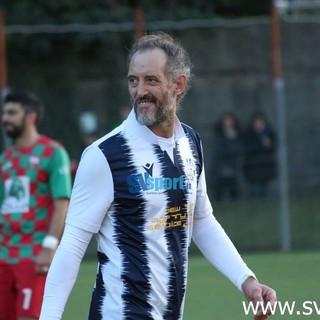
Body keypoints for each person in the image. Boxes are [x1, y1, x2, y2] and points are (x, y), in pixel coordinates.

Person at [39, 32, 277, 320]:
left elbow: (200, 221)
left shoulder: (191, 142)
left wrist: (246, 280)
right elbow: (72, 247)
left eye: (151, 80)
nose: (140, 91)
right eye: (133, 80)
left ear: (179, 85)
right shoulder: (105, 155)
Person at [0, 91, 72, 320]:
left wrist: (49, 247)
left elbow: (61, 202)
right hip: (3, 255)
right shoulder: (5, 159)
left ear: (30, 116)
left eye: (12, 113)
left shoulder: (52, 152)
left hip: (33, 255)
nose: (5, 118)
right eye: (4, 113)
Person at [210, 112, 243, 201]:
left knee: (234, 194)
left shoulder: (237, 136)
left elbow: (239, 150)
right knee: (219, 193)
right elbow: (220, 151)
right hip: (221, 169)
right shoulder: (219, 137)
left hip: (234, 168)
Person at [243, 111, 276, 198]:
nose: (259, 124)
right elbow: (247, 148)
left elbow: (274, 145)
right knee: (254, 191)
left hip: (266, 166)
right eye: (257, 122)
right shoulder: (249, 134)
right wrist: (260, 144)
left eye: (261, 122)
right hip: (253, 167)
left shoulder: (269, 133)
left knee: (264, 189)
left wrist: (269, 144)